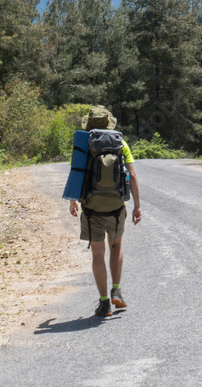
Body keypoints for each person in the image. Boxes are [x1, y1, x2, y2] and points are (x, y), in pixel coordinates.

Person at [69, 106, 141, 318]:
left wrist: (73, 201)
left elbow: (76, 175)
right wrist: (137, 206)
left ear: (89, 125)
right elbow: (133, 176)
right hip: (116, 207)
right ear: (110, 123)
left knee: (98, 253)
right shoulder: (121, 143)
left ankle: (104, 304)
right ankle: (116, 289)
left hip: (91, 208)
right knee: (116, 246)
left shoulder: (83, 144)